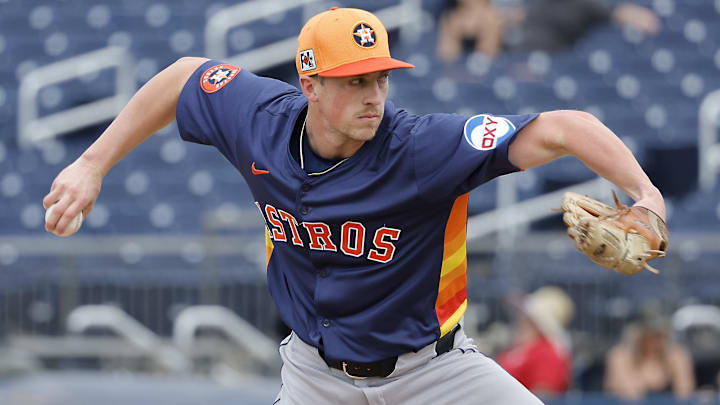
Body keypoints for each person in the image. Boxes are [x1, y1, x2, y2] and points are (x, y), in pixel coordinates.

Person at [44, 7, 666, 405]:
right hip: (315, 377)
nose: (375, 95)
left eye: (381, 78)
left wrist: (646, 195)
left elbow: (562, 126)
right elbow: (182, 75)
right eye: (355, 81)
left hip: (433, 375)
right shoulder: (258, 122)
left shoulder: (424, 148)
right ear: (310, 85)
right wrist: (91, 164)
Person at [436, 0, 661, 63]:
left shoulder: (581, 4)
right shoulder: (527, 6)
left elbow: (632, 16)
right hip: (511, 61)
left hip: (548, 64)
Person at [497, 286, 575, 396]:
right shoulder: (519, 349)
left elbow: (543, 396)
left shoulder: (547, 353)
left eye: (528, 320)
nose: (520, 322)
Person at [604, 313, 696, 401]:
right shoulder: (620, 356)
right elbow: (631, 395)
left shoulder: (676, 356)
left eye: (657, 336)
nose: (653, 342)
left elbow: (685, 393)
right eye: (647, 336)